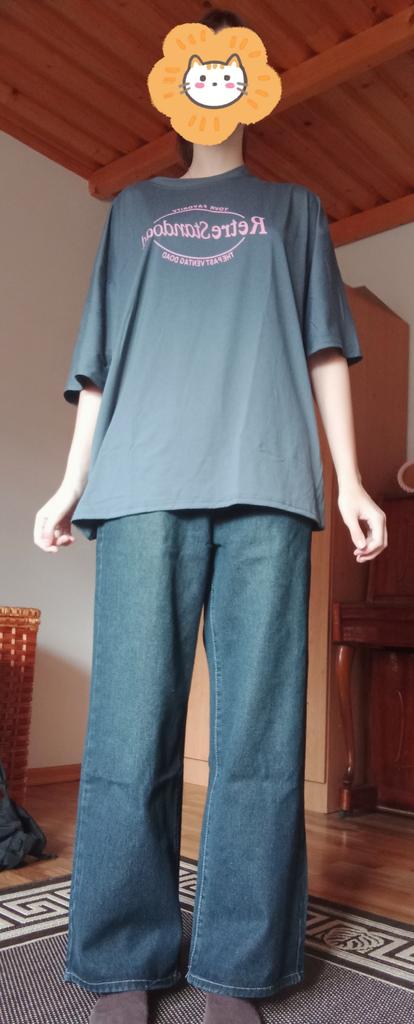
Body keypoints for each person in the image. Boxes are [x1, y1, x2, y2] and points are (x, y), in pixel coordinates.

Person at [33, 9, 387, 1024]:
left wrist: (351, 481)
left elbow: (325, 347)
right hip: (139, 483)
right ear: (176, 82)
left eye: (234, 70)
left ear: (254, 84)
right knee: (128, 727)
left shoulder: (294, 209)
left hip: (268, 481)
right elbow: (100, 360)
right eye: (203, 69)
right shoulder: (134, 210)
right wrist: (69, 482)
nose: (217, 84)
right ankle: (122, 957)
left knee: (260, 737)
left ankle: (240, 965)